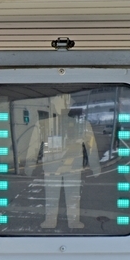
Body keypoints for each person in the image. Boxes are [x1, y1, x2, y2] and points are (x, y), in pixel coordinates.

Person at [24, 94, 100, 229]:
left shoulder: (44, 124)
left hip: (58, 166)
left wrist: (29, 166)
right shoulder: (81, 125)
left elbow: (33, 147)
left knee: (58, 196)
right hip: (67, 166)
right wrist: (95, 167)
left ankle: (55, 221)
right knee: (68, 196)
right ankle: (69, 221)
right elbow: (91, 148)